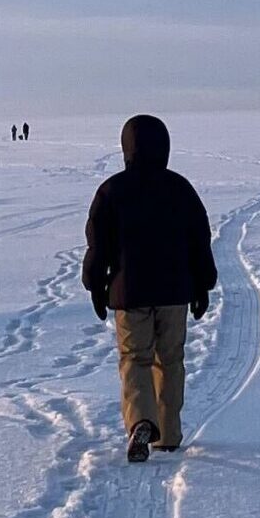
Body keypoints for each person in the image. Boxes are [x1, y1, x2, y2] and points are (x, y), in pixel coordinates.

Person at [81, 114, 215, 462]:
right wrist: (203, 284)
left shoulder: (112, 191)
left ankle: (141, 420)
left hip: (130, 293)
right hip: (174, 294)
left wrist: (96, 285)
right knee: (170, 360)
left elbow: (99, 245)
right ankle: (167, 434)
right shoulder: (180, 188)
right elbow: (199, 241)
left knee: (135, 359)